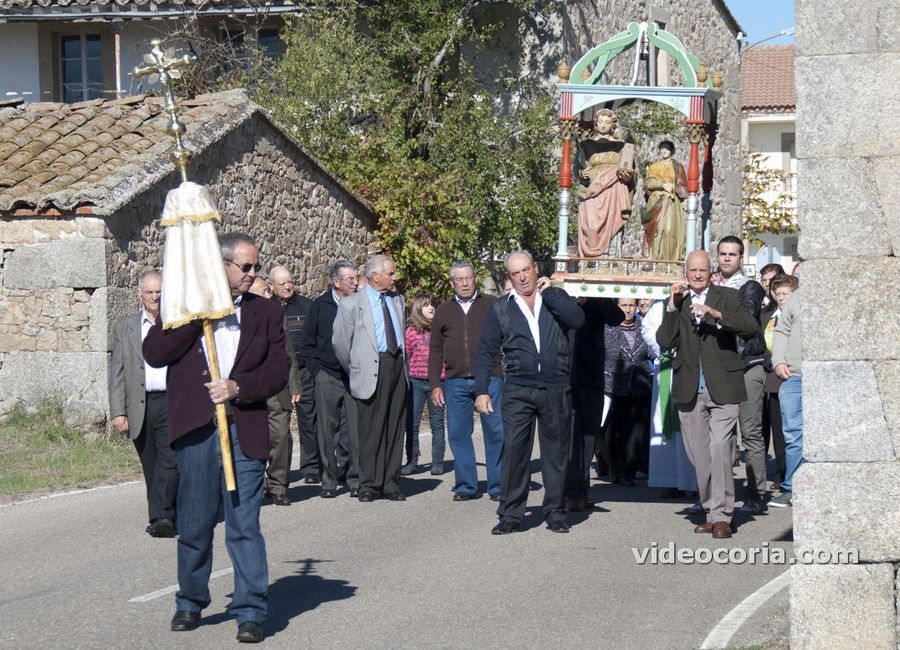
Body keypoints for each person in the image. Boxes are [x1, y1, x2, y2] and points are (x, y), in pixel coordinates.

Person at [143, 232, 290, 643]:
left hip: (244, 430)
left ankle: (250, 610)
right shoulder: (183, 305)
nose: (253, 274)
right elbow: (155, 353)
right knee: (194, 522)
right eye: (245, 267)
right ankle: (190, 601)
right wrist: (194, 315)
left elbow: (278, 369)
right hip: (197, 431)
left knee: (244, 524)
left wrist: (238, 387)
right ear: (220, 265)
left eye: (256, 266)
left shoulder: (266, 312)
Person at [475, 250, 585, 534]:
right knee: (515, 451)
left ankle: (555, 511)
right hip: (518, 389)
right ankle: (511, 513)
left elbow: (577, 320)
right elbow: (486, 350)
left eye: (526, 270)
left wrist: (556, 293)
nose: (523, 277)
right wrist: (482, 390)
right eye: (516, 273)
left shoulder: (554, 300)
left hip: (555, 388)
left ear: (536, 269)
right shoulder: (501, 308)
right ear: (509, 278)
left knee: (556, 453)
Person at [656, 250, 759, 539]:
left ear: (710, 271)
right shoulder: (680, 301)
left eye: (702, 270)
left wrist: (716, 315)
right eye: (692, 271)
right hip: (690, 387)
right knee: (699, 455)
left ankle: (723, 517)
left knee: (719, 449)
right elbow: (664, 341)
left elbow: (750, 327)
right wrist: (672, 308)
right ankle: (711, 512)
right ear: (685, 272)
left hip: (723, 385)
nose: (697, 275)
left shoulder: (727, 296)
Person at [109, 270, 179, 537]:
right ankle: (159, 516)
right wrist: (118, 411)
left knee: (171, 462)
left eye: (159, 292)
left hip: (170, 401)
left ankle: (164, 515)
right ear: (140, 295)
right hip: (140, 405)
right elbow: (117, 371)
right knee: (151, 464)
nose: (155, 297)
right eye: (149, 292)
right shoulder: (124, 326)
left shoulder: (177, 324)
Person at [333, 254, 408, 502]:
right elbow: (341, 344)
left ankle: (390, 483)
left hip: (396, 366)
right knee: (369, 429)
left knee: (394, 426)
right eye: (390, 274)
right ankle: (368, 483)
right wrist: (358, 366)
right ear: (375, 276)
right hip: (372, 368)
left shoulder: (397, 300)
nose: (394, 278)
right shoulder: (352, 304)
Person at [429, 260, 504, 501]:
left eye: (468, 278)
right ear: (452, 283)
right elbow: (435, 350)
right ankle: (466, 485)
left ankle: (498, 485)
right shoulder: (442, 311)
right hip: (455, 381)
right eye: (459, 279)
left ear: (475, 279)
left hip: (490, 378)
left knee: (495, 431)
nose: (464, 283)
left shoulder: (492, 305)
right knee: (458, 434)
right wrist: (435, 385)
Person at [715, 237, 769, 515]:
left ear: (740, 257)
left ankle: (757, 493)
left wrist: (715, 304)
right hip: (721, 367)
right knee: (722, 436)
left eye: (732, 254)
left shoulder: (750, 287)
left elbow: (746, 319)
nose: (726, 259)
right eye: (722, 254)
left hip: (748, 364)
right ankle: (722, 495)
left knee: (750, 433)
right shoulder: (710, 286)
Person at [298, 260, 361, 498]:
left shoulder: (360, 304)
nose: (355, 282)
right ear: (336, 282)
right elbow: (308, 343)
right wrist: (317, 372)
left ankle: (354, 479)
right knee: (326, 430)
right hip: (327, 375)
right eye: (350, 279)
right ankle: (329, 480)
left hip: (353, 375)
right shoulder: (320, 306)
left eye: (356, 278)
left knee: (355, 430)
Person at [248, 272, 301, 507]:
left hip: (276, 389)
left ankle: (278, 485)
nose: (269, 294)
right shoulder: (236, 317)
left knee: (280, 437)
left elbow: (288, 353)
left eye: (268, 291)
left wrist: (294, 385)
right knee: (252, 440)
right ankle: (254, 485)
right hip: (249, 389)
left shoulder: (275, 315)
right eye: (264, 291)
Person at [566, 297, 624, 510]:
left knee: (589, 436)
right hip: (565, 377)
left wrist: (597, 293)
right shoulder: (561, 295)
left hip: (592, 377)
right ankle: (569, 492)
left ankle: (581, 490)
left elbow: (617, 318)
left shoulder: (597, 300)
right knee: (569, 438)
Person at [268, 265, 319, 486]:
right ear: (271, 286)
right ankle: (280, 473)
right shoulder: (265, 309)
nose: (288, 286)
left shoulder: (307, 306)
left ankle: (311, 466)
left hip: (304, 371)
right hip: (278, 375)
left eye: (290, 281)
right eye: (283, 283)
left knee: (309, 420)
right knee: (278, 427)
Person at [642, 299, 696, 497]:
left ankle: (695, 481)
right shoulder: (658, 306)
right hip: (666, 366)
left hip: (690, 367)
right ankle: (671, 479)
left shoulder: (695, 300)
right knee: (665, 425)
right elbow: (647, 330)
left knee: (690, 424)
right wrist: (665, 350)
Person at [603, 298, 653, 486]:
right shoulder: (607, 327)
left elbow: (652, 350)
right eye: (624, 305)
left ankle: (628, 471)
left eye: (631, 305)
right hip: (613, 385)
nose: (628, 310)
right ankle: (612, 467)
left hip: (640, 386)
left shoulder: (644, 326)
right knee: (613, 430)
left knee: (636, 432)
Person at [577, 108, 635, 257]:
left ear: (612, 125)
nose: (603, 125)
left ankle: (611, 258)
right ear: (596, 124)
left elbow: (630, 169)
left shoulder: (621, 145)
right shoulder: (585, 145)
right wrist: (581, 173)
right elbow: (577, 166)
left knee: (612, 222)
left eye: (607, 122)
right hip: (592, 190)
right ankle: (593, 259)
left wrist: (627, 175)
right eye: (601, 122)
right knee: (592, 225)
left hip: (613, 189)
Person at [402, 293, 446, 476]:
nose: (431, 308)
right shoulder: (411, 331)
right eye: (427, 305)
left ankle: (437, 462)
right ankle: (412, 461)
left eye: (432, 305)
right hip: (416, 382)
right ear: (418, 309)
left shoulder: (441, 330)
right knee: (412, 423)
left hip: (438, 382)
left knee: (437, 422)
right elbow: (407, 355)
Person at [769, 283, 802, 509]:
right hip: (794, 375)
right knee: (792, 434)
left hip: (825, 373)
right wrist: (778, 361)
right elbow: (782, 330)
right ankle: (792, 488)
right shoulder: (796, 298)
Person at [642, 140, 687, 261]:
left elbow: (682, 185)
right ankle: (654, 258)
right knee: (656, 229)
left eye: (667, 149)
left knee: (669, 230)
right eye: (662, 148)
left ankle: (670, 260)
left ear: (671, 151)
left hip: (672, 202)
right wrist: (662, 185)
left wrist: (684, 201)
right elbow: (648, 183)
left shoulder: (678, 167)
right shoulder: (654, 167)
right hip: (657, 201)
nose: (664, 151)